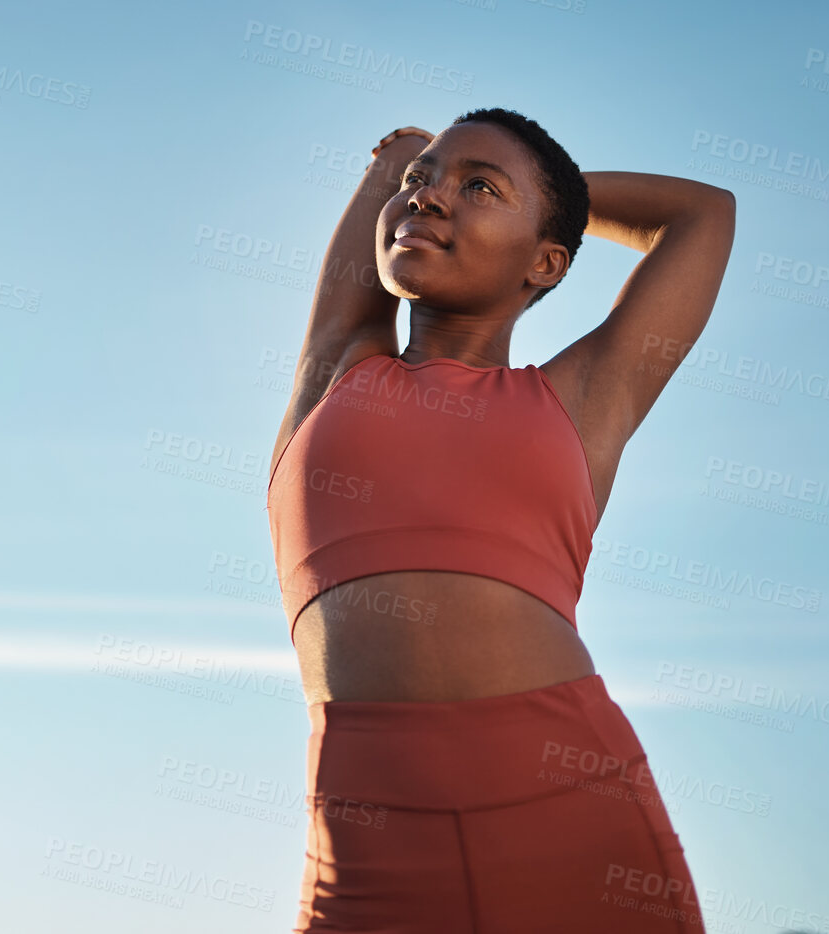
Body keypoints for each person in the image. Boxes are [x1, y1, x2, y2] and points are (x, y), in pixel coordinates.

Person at [266, 108, 736, 933]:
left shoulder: (581, 403)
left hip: (576, 827)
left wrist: (552, 199)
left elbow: (703, 214)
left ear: (547, 261)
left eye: (479, 187)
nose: (431, 198)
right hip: (365, 853)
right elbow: (397, 165)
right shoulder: (338, 366)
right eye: (421, 188)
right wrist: (419, 167)